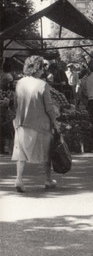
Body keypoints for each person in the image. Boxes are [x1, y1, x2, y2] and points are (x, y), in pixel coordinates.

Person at [11, 56, 60, 192]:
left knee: (21, 153)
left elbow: (16, 102)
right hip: (41, 124)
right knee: (46, 153)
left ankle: (19, 179)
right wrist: (54, 121)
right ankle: (48, 179)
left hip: (22, 122)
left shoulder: (20, 83)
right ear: (38, 68)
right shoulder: (42, 85)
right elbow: (49, 107)